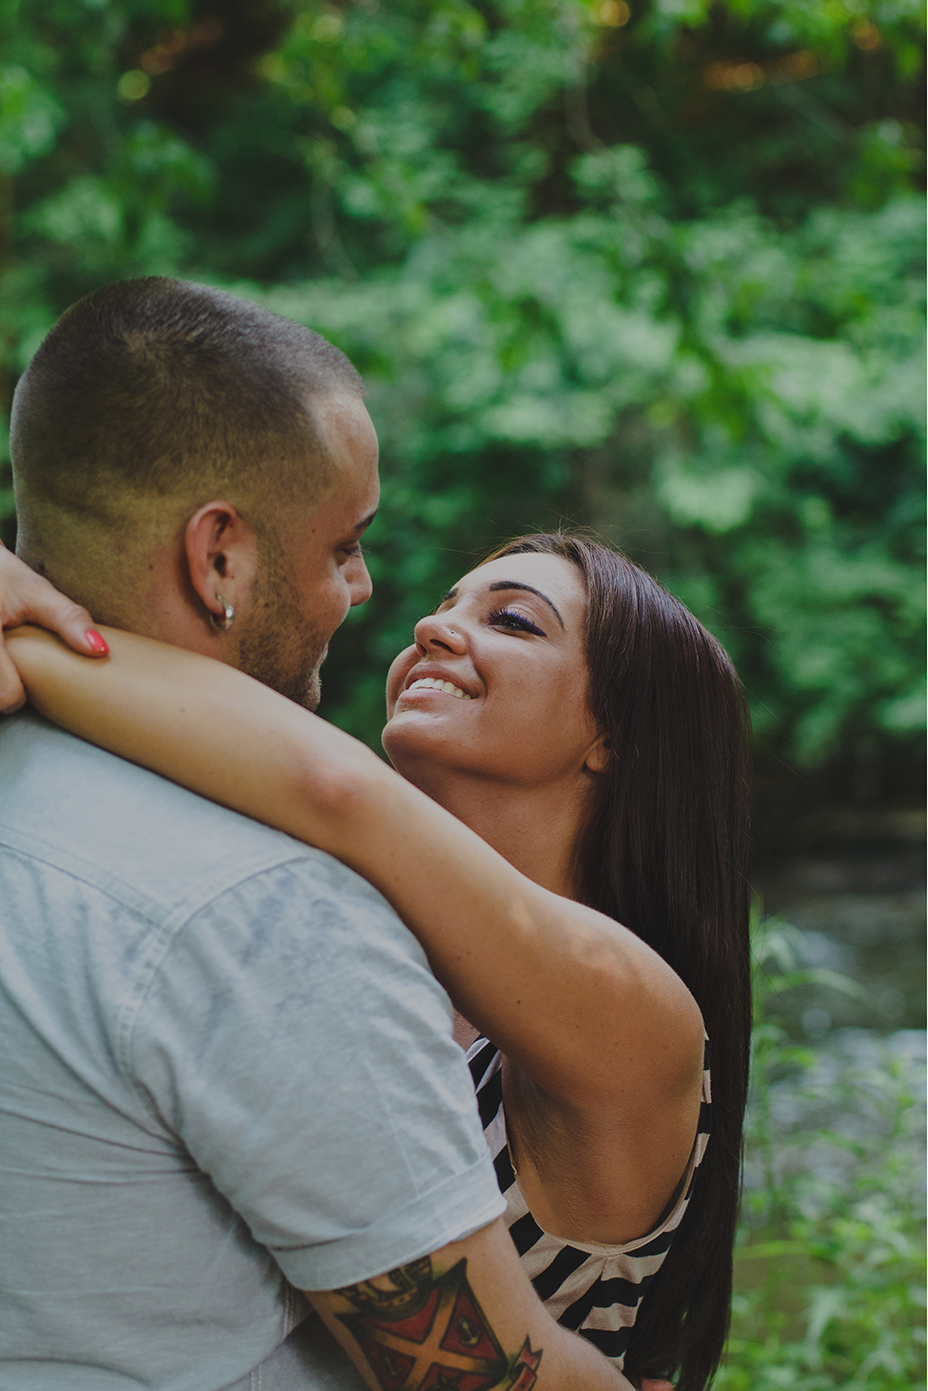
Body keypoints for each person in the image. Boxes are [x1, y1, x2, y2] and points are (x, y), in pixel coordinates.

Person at [0, 277, 730, 1390]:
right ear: (218, 560)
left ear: (614, 738)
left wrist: (41, 631)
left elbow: (330, 786)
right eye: (445, 595)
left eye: (514, 620)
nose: (424, 615)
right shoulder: (341, 910)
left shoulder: (628, 1003)